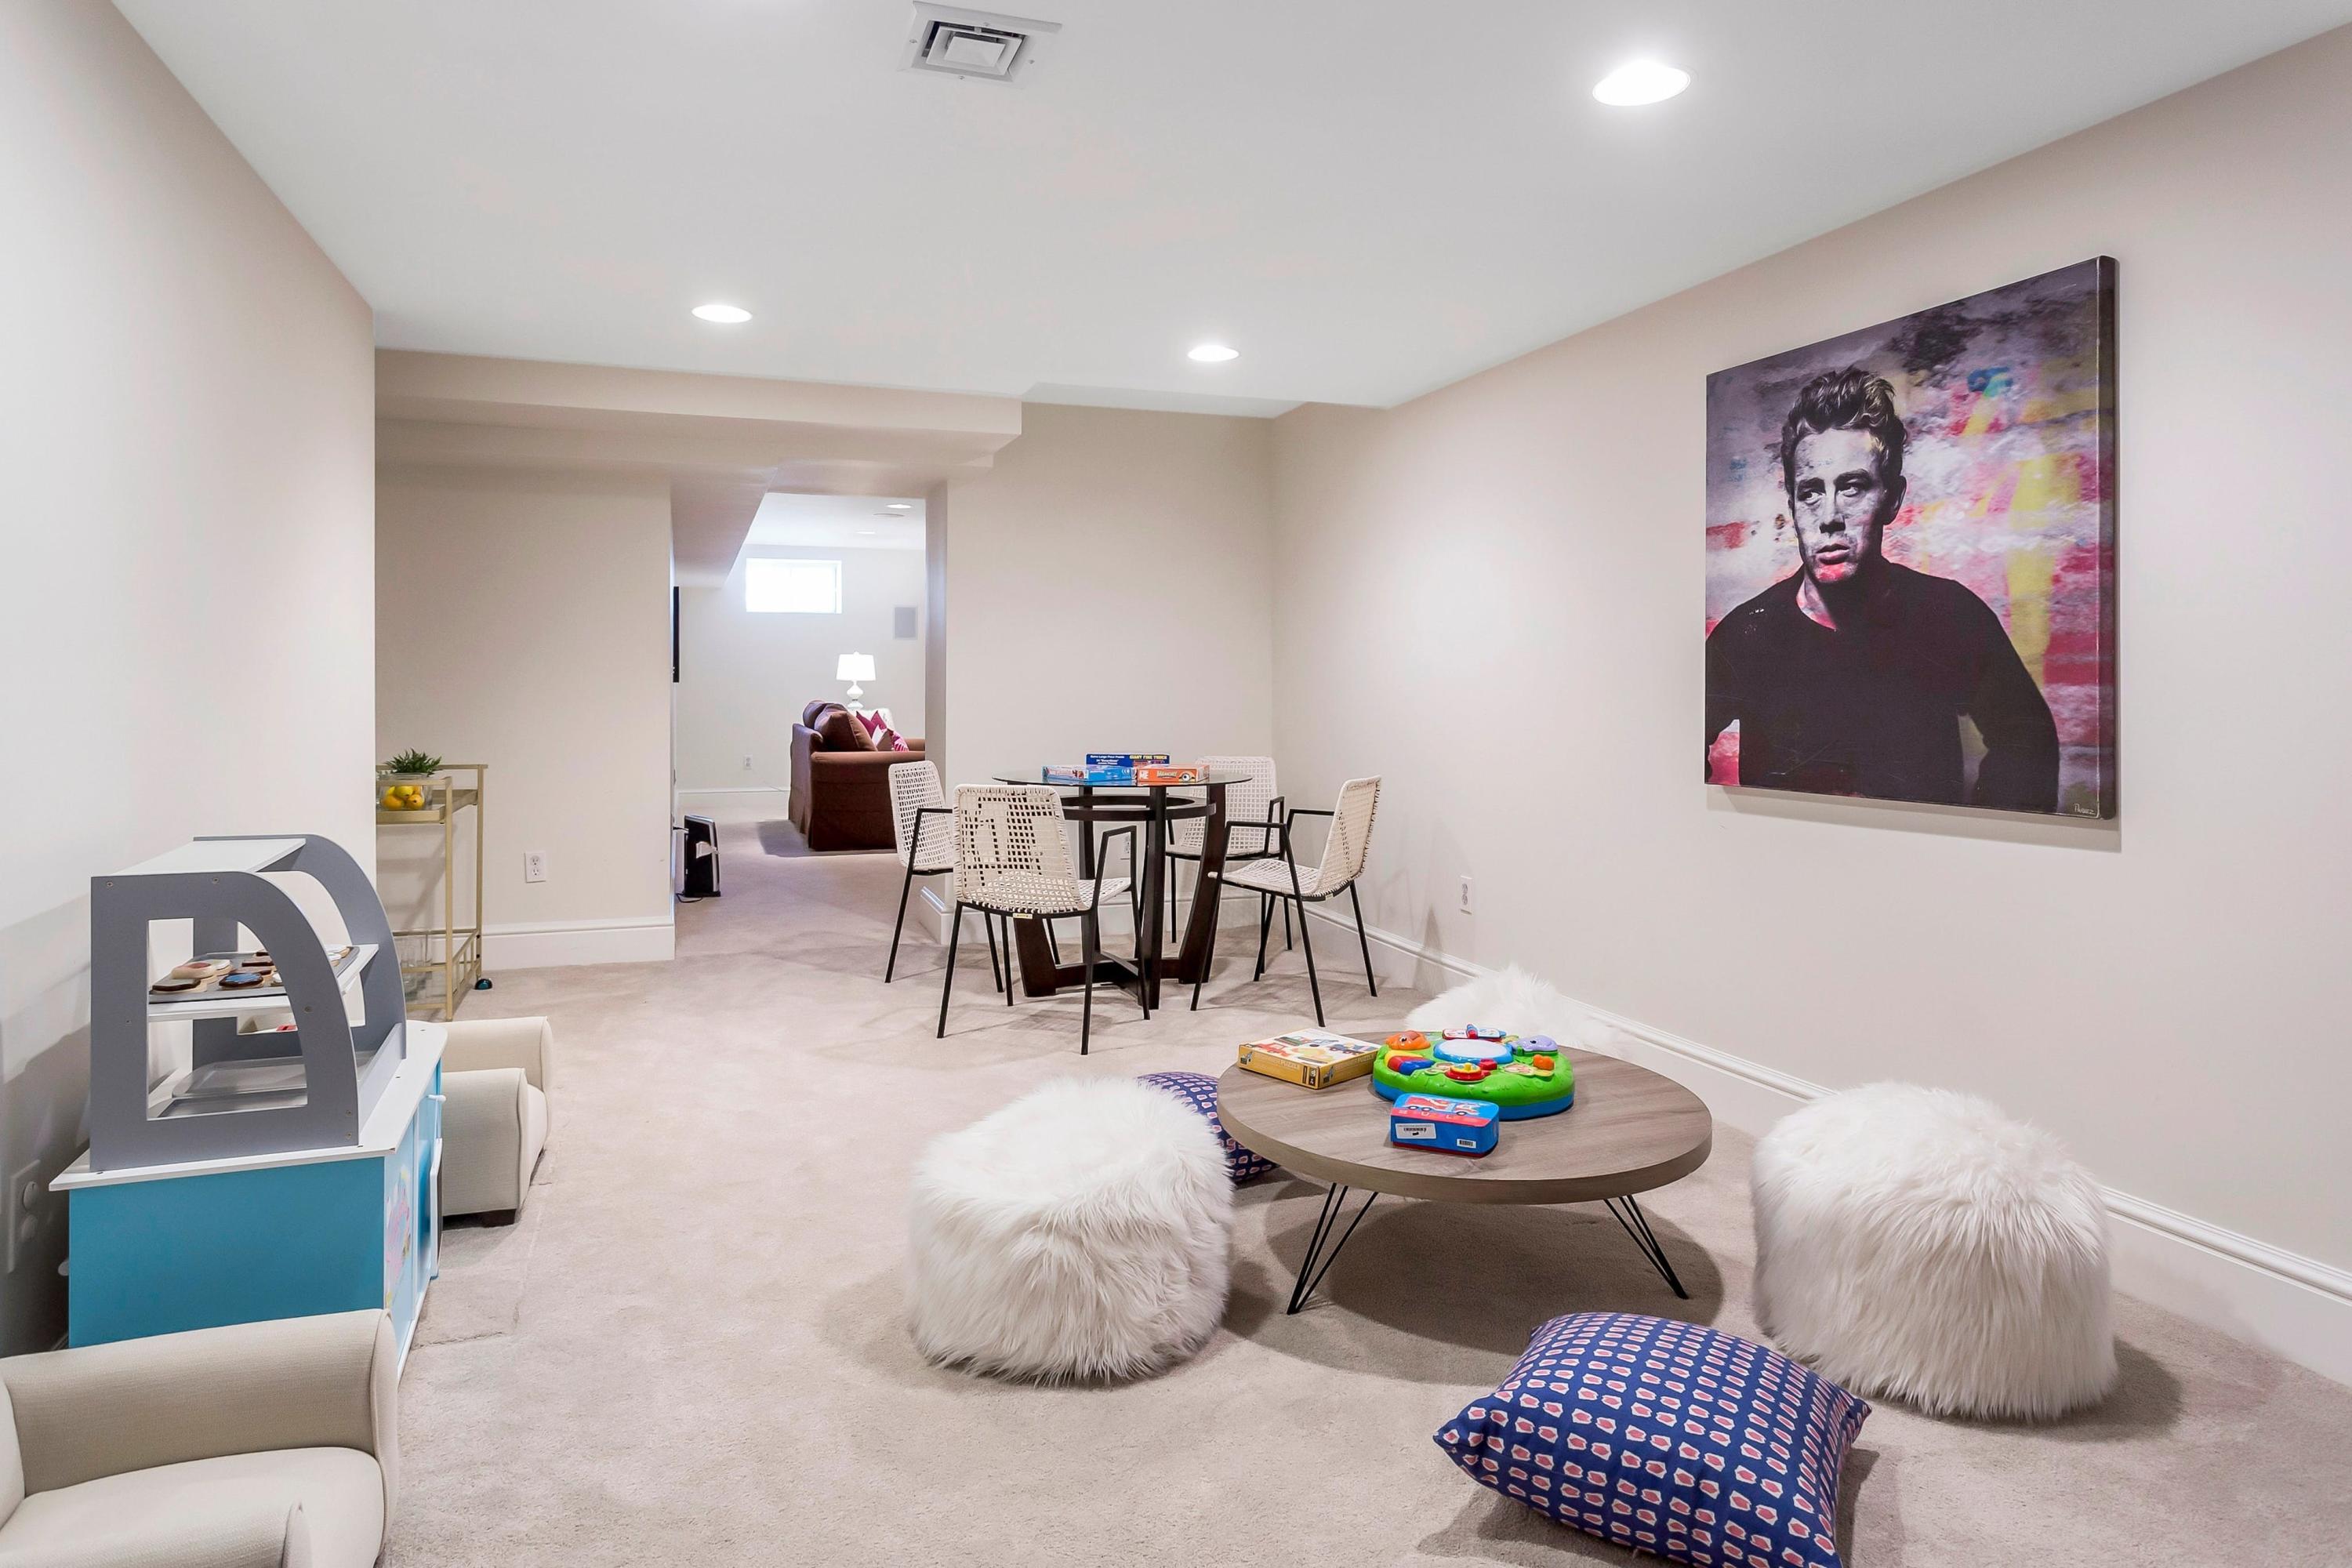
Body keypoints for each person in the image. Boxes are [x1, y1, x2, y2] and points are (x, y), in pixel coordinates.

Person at [1704, 366, 2059, 810]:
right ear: (1792, 505)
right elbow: (1672, 743)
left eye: (1852, 487)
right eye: (1811, 492)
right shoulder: (1748, 633)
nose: (1829, 517)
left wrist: (1979, 836)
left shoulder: (1949, 614)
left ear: (1892, 498)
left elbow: (2026, 740)